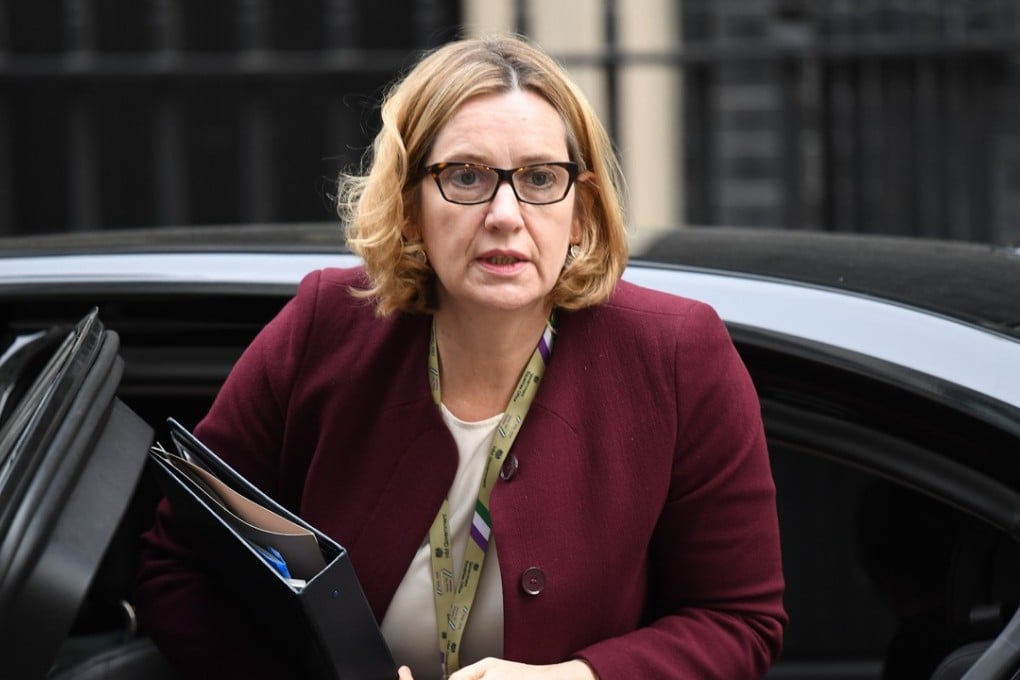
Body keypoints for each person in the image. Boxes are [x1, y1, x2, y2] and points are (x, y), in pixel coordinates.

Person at [135, 33, 786, 679]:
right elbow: (177, 566)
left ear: (580, 210)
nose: (505, 214)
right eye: (466, 176)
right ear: (411, 206)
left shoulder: (675, 354)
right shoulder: (323, 327)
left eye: (539, 178)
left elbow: (738, 620)